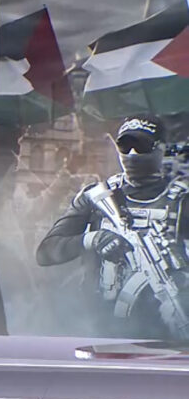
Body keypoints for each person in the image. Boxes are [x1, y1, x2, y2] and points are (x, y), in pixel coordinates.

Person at [36, 116, 189, 340]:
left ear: (161, 149)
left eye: (142, 145)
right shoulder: (96, 197)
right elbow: (45, 252)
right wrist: (93, 239)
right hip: (100, 328)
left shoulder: (182, 199)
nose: (133, 154)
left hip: (168, 329)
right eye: (125, 146)